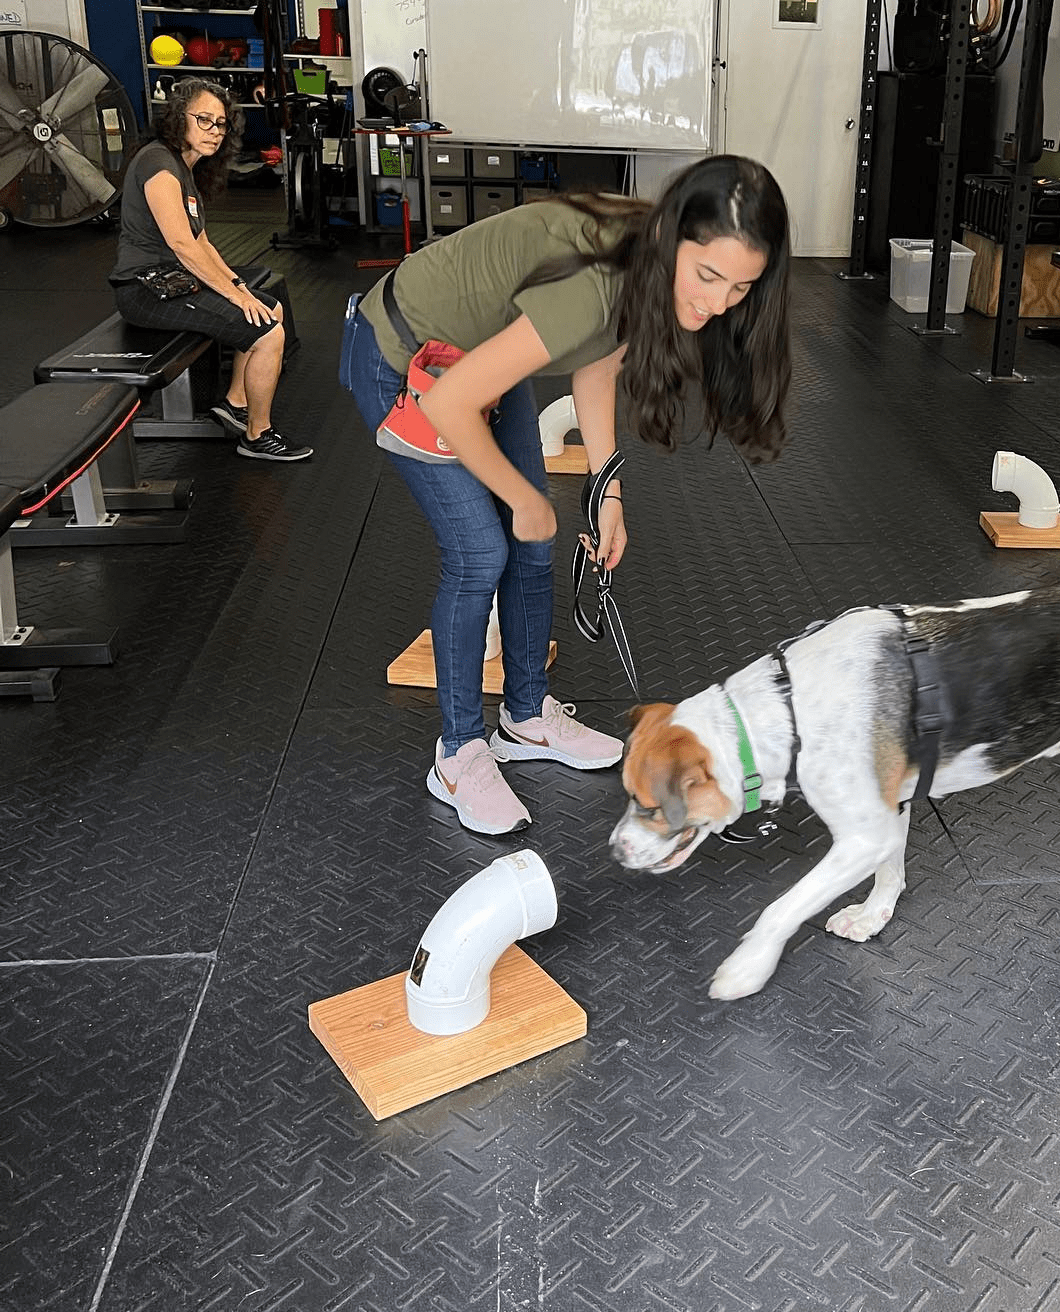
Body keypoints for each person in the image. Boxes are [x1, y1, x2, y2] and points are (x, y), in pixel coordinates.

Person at [345, 155, 792, 835]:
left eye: (741, 287)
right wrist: (523, 498)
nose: (718, 303)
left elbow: (595, 370)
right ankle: (458, 755)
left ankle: (524, 718)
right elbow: (452, 404)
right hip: (403, 360)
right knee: (480, 553)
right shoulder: (601, 279)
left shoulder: (651, 272)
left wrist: (606, 494)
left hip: (478, 357)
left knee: (538, 537)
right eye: (707, 276)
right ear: (675, 239)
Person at [109, 77, 312, 462]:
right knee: (268, 335)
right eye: (204, 120)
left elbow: (201, 242)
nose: (214, 131)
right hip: (143, 289)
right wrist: (235, 296)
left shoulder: (183, 167)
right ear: (177, 118)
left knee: (271, 308)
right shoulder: (159, 165)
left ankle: (235, 404)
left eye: (220, 124)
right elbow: (182, 245)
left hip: (172, 281)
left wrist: (240, 286)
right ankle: (257, 435)